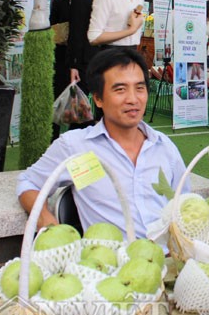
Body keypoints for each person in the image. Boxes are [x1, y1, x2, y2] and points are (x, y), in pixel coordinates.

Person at [17, 48, 190, 238]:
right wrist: (46, 220)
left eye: (139, 88)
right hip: (111, 263)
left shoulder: (164, 147)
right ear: (98, 99)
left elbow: (184, 203)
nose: (133, 99)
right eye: (120, 89)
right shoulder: (75, 146)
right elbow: (29, 182)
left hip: (170, 258)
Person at [67, 0, 101, 97]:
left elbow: (77, 31)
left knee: (80, 102)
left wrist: (74, 64)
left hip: (82, 58)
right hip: (94, 54)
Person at [50, 0, 72, 139]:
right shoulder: (58, 2)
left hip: (72, 57)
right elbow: (53, 27)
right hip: (61, 54)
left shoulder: (84, 2)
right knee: (59, 95)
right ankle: (55, 134)